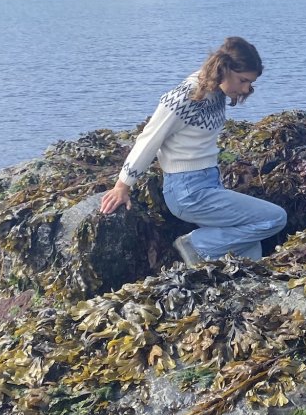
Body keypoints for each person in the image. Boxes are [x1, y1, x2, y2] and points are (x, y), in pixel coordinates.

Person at [99, 36, 287, 265]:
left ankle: (217, 276)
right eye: (243, 80)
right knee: (275, 218)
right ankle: (196, 244)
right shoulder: (185, 96)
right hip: (187, 191)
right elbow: (149, 139)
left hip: (208, 184)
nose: (247, 88)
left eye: (250, 82)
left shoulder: (217, 91)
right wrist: (122, 186)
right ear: (225, 69)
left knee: (251, 250)